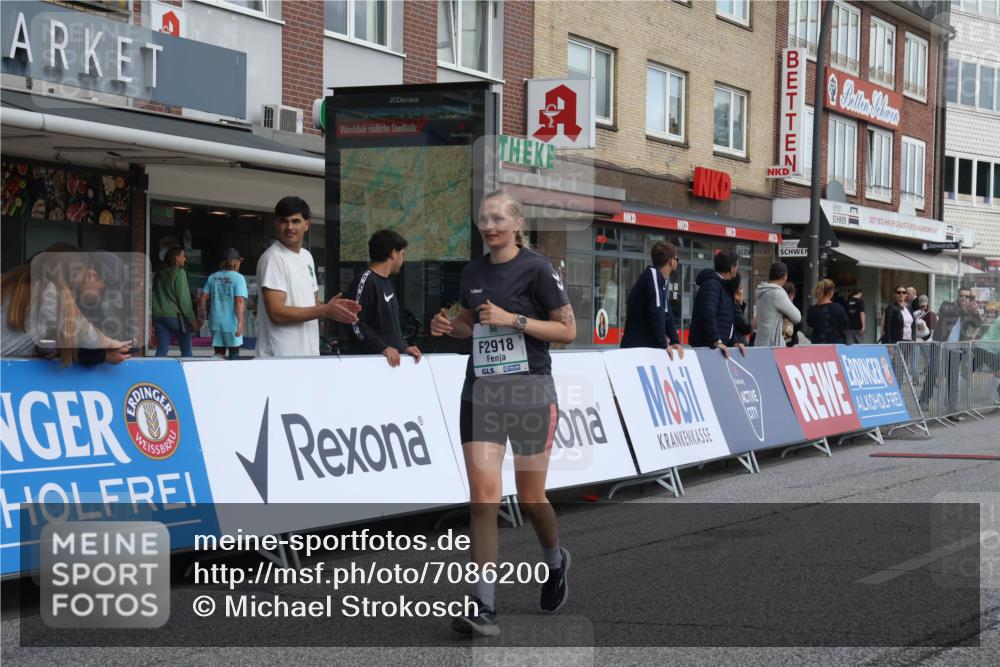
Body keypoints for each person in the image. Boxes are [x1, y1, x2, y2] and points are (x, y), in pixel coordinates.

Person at [430, 190, 575, 637]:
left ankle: (555, 560)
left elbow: (568, 330)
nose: (489, 226)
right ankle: (484, 606)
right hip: (482, 393)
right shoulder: (472, 272)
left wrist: (515, 320)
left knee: (531, 499)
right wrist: (449, 327)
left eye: (497, 218)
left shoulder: (537, 267)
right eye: (483, 219)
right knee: (483, 498)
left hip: (531, 392)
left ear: (516, 223)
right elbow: (472, 326)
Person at [256, 196, 361, 358]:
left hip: (307, 356)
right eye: (284, 221)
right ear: (276, 224)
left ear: (307, 224)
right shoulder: (274, 258)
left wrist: (334, 309)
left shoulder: (306, 256)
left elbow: (312, 304)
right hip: (279, 358)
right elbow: (277, 313)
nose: (289, 227)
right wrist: (325, 311)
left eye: (296, 221)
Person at [1, 243, 131, 365]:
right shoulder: (49, 292)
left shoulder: (18, 284)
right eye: (79, 274)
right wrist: (112, 345)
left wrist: (42, 348)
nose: (82, 279)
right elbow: (82, 331)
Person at [348, 229, 422, 367]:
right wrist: (382, 347)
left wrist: (404, 347)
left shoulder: (387, 282)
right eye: (402, 254)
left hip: (392, 365)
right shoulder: (365, 281)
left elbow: (391, 327)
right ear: (393, 253)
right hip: (373, 366)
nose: (403, 260)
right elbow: (354, 323)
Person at [919, 289, 983, 416]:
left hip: (955, 349)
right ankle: (924, 399)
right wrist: (966, 309)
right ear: (957, 296)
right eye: (962, 296)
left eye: (967, 297)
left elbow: (977, 324)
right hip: (940, 346)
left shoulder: (968, 312)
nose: (964, 299)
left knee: (953, 379)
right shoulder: (948, 305)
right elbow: (948, 313)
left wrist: (975, 312)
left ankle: (951, 407)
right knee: (933, 372)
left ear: (970, 299)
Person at [620, 240, 683, 359]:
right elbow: (657, 312)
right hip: (637, 348)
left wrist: (675, 340)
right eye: (677, 259)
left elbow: (666, 314)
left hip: (645, 347)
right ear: (671, 261)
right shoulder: (653, 275)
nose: (677, 263)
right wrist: (664, 344)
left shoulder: (660, 280)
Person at [689, 251, 745, 357]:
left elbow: (727, 320)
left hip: (719, 349)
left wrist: (733, 342)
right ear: (732, 268)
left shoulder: (724, 286)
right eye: (737, 266)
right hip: (708, 349)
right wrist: (716, 341)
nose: (738, 270)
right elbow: (708, 313)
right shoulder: (712, 284)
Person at [199, 249, 248, 360]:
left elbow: (202, 298)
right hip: (232, 323)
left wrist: (201, 317)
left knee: (219, 353)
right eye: (239, 261)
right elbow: (239, 300)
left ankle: (215, 374)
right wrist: (240, 322)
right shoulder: (239, 278)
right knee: (234, 354)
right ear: (235, 262)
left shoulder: (213, 277)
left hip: (215, 321)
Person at [151, 246, 200, 358]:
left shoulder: (160, 272)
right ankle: (189, 373)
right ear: (176, 257)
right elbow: (183, 299)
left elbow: (153, 294)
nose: (185, 259)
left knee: (162, 349)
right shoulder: (179, 272)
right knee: (186, 350)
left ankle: (156, 373)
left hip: (158, 315)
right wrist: (192, 319)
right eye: (183, 256)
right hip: (173, 316)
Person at [753, 262, 801, 347]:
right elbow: (797, 317)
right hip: (773, 345)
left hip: (759, 342)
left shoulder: (762, 291)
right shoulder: (777, 293)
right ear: (785, 276)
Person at [806, 279, 849, 345]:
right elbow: (846, 325)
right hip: (836, 345)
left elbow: (810, 323)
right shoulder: (838, 308)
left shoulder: (811, 310)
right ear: (831, 292)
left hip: (817, 345)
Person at [732, 274, 752, 346]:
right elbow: (746, 327)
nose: (742, 291)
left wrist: (740, 303)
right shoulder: (733, 306)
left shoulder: (736, 305)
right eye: (741, 287)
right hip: (737, 346)